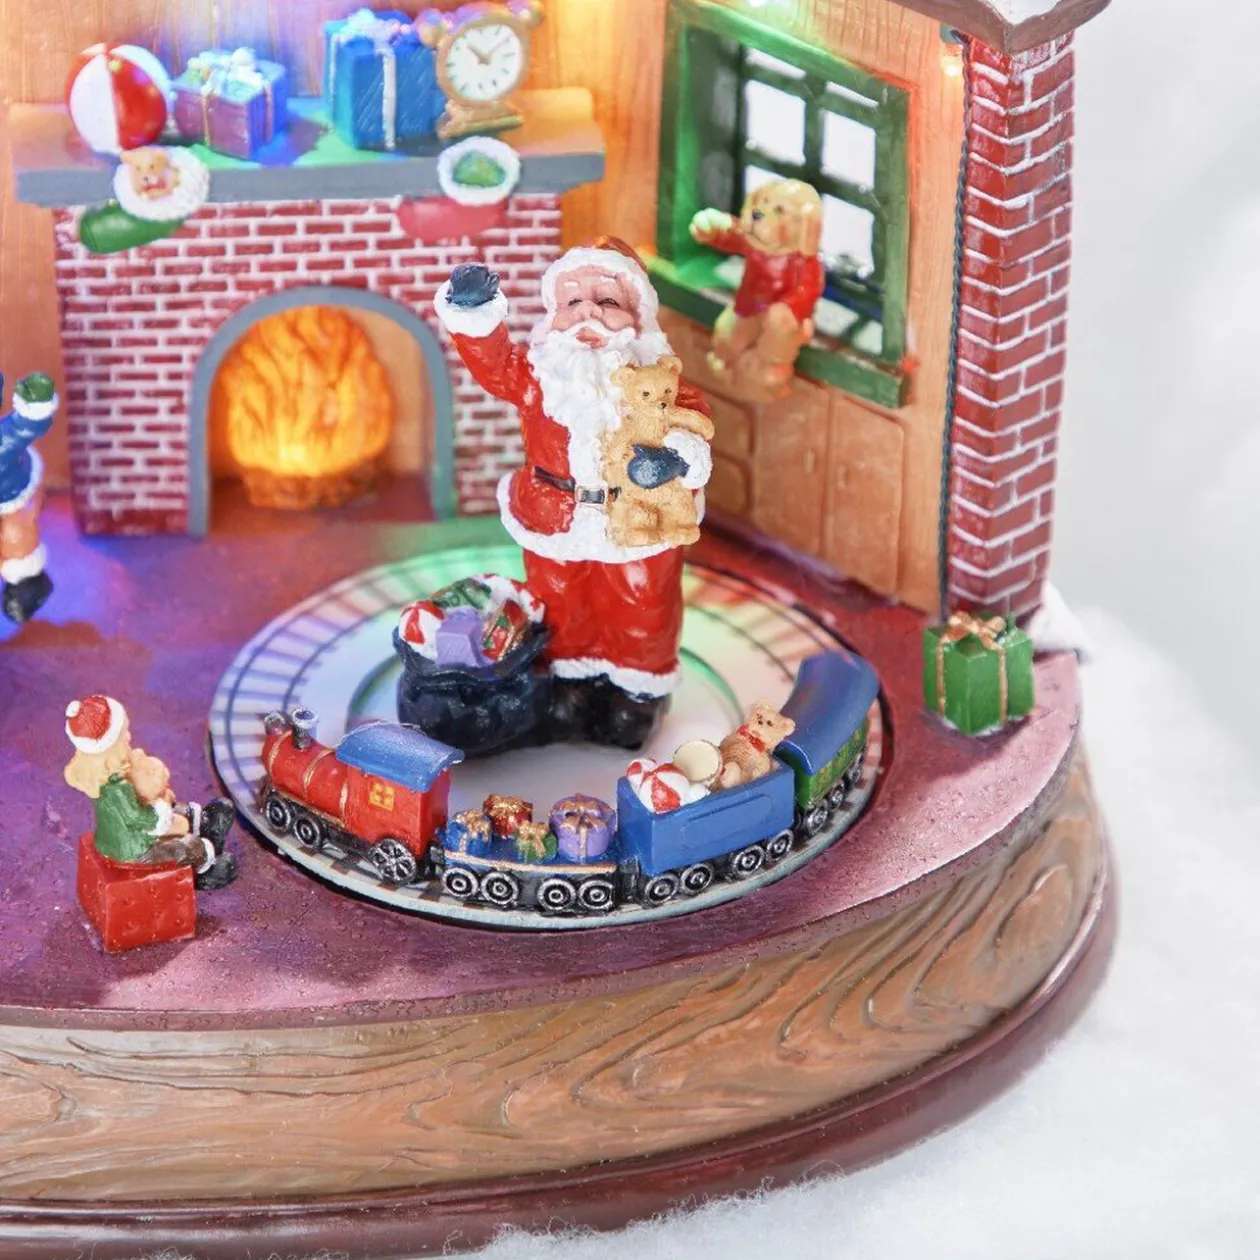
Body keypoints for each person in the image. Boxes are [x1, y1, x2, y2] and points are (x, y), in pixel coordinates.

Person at [433, 238, 713, 748]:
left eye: (607, 300)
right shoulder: (538, 376)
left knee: (641, 603)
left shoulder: (660, 383)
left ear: (638, 315)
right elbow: (492, 364)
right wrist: (473, 310)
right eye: (572, 301)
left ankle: (637, 695)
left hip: (637, 517)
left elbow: (693, 424)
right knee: (561, 602)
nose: (589, 313)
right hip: (552, 514)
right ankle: (571, 684)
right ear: (553, 314)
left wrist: (673, 460)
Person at [63, 694, 238, 889]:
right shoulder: (116, 789)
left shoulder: (111, 779)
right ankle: (205, 869)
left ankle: (202, 823)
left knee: (168, 807)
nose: (128, 737)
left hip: (126, 839)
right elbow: (138, 818)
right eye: (123, 734)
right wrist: (161, 810)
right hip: (134, 850)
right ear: (110, 748)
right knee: (183, 847)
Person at [0, 372, 57, 623]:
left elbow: (25, 427)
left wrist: (36, 404)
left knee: (15, 538)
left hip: (11, 495)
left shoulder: (3, 439)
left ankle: (27, 586)